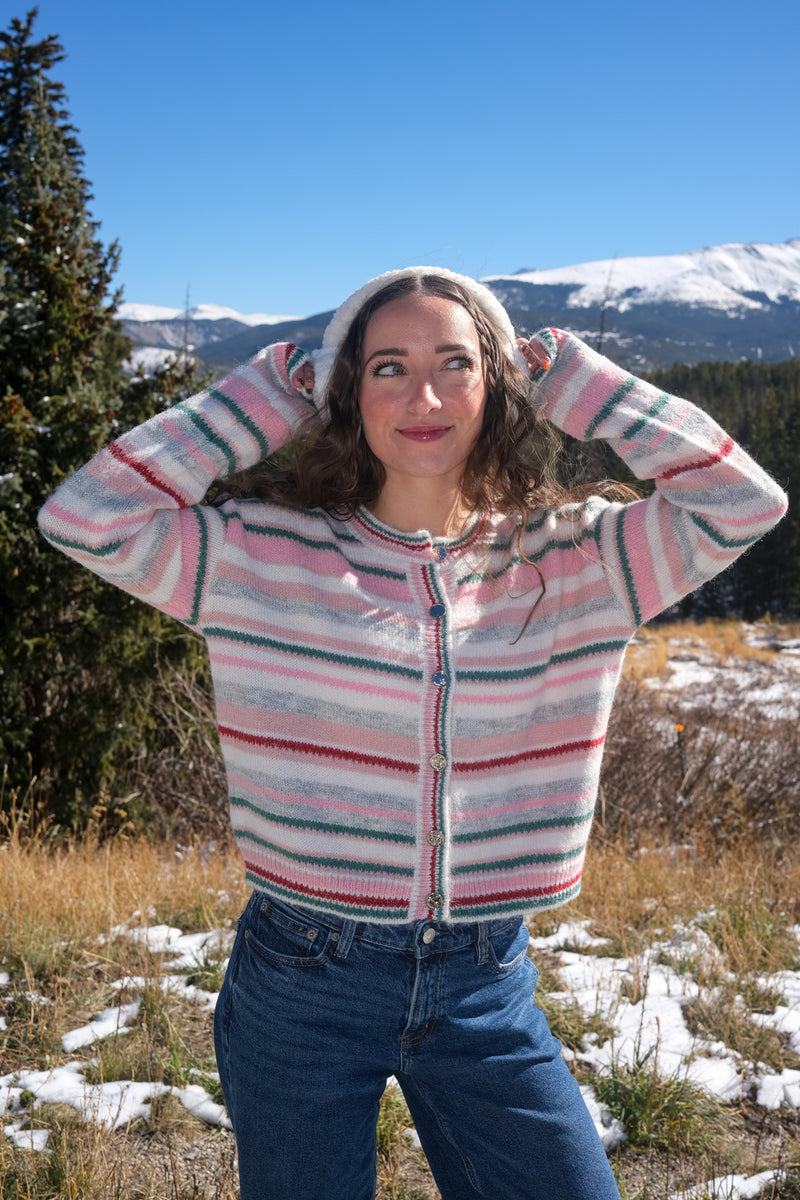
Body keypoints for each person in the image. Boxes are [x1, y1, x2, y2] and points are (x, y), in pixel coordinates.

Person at [38, 266, 787, 1199]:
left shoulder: (584, 560)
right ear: (347, 393)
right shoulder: (255, 556)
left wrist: (574, 382)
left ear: (500, 386)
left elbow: (746, 504)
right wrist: (270, 394)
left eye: (456, 364)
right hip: (301, 977)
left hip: (486, 979)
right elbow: (85, 519)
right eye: (387, 367)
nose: (423, 396)